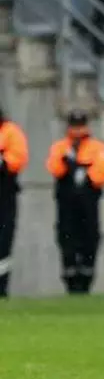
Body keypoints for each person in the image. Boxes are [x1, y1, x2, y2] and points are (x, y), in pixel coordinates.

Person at [46, 110, 104, 294]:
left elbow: (100, 175)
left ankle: (86, 280)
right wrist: (68, 161)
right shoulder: (60, 147)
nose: (77, 130)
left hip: (88, 204)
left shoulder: (96, 147)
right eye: (74, 126)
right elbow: (54, 168)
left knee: (89, 238)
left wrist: (82, 169)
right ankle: (70, 279)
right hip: (66, 205)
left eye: (80, 126)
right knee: (67, 238)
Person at [0, 109, 28, 298]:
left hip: (4, 193)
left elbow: (17, 159)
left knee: (3, 242)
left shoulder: (10, 131)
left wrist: (3, 161)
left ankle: (1, 288)